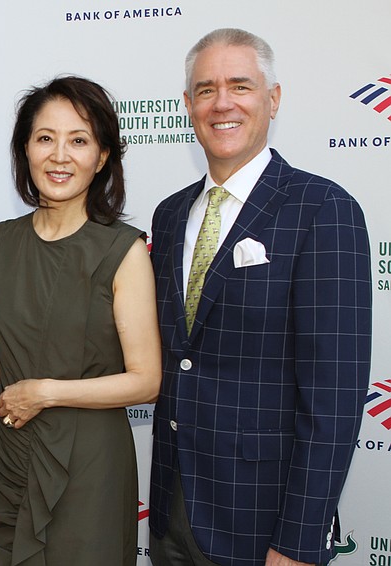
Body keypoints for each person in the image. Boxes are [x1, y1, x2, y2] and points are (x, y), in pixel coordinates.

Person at [148, 28, 372, 566]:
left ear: (273, 99)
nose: (222, 102)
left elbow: (334, 400)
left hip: (265, 522)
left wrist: (296, 541)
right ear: (187, 105)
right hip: (171, 512)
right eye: (205, 89)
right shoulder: (170, 214)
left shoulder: (322, 209)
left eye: (240, 86)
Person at [0, 76, 162, 566]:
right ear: (25, 149)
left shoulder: (124, 250)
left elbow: (147, 381)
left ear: (101, 158)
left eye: (79, 140)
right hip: (8, 461)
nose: (60, 155)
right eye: (45, 138)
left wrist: (47, 392)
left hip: (90, 467)